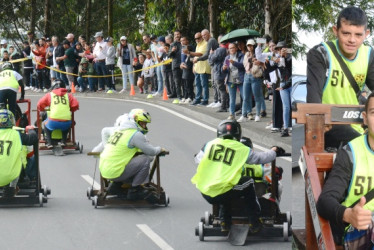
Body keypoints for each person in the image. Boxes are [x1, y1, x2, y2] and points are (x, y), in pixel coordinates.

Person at [191, 119, 283, 231]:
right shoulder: (241, 148)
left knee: (227, 187)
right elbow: (261, 158)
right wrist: (274, 150)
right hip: (221, 189)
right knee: (247, 182)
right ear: (238, 133)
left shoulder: (209, 145)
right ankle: (255, 223)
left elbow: (197, 159)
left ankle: (225, 223)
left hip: (205, 190)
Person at [307, 6, 374, 148]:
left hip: (357, 126)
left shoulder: (368, 55)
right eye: (346, 33)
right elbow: (313, 100)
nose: (352, 40)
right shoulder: (320, 54)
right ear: (335, 31)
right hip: (328, 127)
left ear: (366, 34)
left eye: (358, 35)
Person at [317, 92, 374, 248]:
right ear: (365, 118)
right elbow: (325, 201)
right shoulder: (351, 152)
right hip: (357, 229)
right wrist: (348, 215)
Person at [99, 108, 167, 201]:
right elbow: (151, 152)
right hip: (115, 171)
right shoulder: (135, 134)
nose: (144, 126)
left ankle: (116, 185)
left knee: (128, 161)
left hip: (104, 170)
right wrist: (160, 149)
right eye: (142, 123)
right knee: (144, 160)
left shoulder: (118, 131)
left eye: (145, 124)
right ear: (135, 121)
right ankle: (135, 190)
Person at [0, 108, 38, 197]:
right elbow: (33, 139)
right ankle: (12, 187)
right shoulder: (16, 134)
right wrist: (30, 130)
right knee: (17, 162)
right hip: (11, 174)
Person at [37, 79, 79, 148]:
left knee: (45, 125)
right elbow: (76, 105)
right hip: (66, 122)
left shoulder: (49, 95)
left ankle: (49, 143)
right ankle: (63, 141)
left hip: (53, 121)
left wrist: (42, 109)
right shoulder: (69, 95)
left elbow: (39, 104)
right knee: (68, 125)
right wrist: (70, 109)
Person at [222, 43, 245, 120]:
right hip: (231, 80)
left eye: (233, 48)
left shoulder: (240, 55)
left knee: (244, 97)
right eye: (230, 48)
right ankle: (231, 114)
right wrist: (224, 68)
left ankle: (245, 113)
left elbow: (242, 66)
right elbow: (226, 71)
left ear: (236, 48)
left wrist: (234, 62)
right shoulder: (227, 58)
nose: (231, 49)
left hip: (240, 79)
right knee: (232, 98)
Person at [209, 36, 229, 112]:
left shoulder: (220, 50)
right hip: (223, 71)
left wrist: (211, 54)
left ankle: (223, 106)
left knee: (221, 89)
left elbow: (211, 60)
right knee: (224, 89)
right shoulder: (227, 49)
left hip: (218, 71)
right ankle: (226, 104)